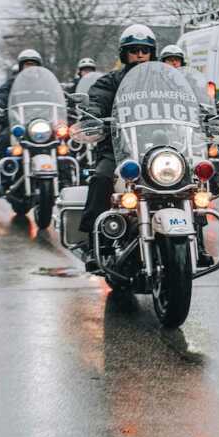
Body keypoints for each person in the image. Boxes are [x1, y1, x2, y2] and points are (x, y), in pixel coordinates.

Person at [76, 24, 156, 269]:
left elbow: (187, 99)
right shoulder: (111, 80)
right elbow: (98, 98)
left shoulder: (162, 78)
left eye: (145, 50)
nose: (140, 55)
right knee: (101, 178)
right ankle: (94, 242)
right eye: (134, 50)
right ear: (124, 54)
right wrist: (93, 113)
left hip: (158, 148)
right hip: (119, 148)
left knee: (191, 182)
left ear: (153, 52)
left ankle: (199, 239)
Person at [0, 49, 43, 192]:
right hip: (18, 124)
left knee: (62, 142)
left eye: (33, 65)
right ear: (21, 67)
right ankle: (2, 179)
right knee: (3, 140)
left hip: (42, 124)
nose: (30, 68)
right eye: (27, 65)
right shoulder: (12, 83)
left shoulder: (45, 83)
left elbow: (59, 95)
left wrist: (68, 104)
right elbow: (1, 95)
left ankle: (66, 176)